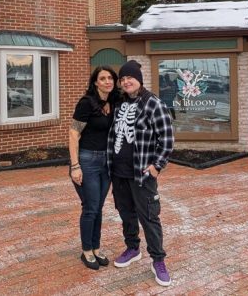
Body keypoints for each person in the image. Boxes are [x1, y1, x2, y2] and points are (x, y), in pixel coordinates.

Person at [107, 60, 174, 286]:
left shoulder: (153, 104)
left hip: (142, 174)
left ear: (139, 80)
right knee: (126, 213)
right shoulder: (118, 104)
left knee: (149, 217)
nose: (126, 81)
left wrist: (156, 166)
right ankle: (132, 248)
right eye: (123, 79)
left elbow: (167, 139)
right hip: (119, 173)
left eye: (130, 78)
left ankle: (158, 260)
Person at [69, 66, 119, 270]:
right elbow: (73, 134)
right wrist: (75, 166)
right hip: (87, 160)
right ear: (95, 82)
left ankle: (96, 248)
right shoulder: (86, 103)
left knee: (98, 207)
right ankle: (86, 250)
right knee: (90, 207)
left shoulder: (114, 102)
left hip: (106, 161)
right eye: (103, 78)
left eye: (110, 78)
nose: (107, 81)